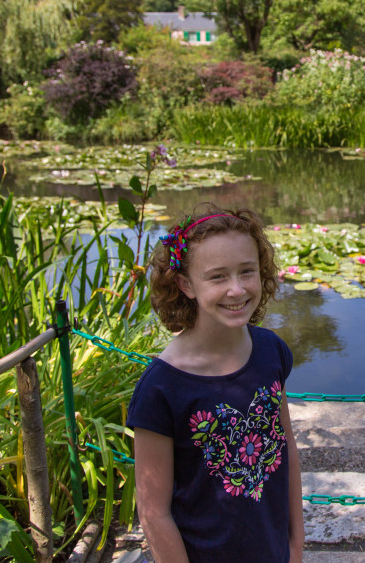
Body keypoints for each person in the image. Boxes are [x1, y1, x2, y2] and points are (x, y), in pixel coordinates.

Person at [126, 205, 304, 562]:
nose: (236, 290)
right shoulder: (161, 389)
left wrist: (296, 546)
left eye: (246, 272)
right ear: (185, 284)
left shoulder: (271, 352)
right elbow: (153, 513)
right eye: (218, 277)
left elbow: (288, 454)